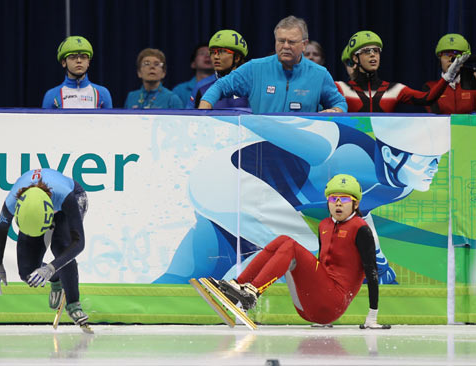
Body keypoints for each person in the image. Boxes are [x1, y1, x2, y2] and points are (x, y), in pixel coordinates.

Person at [154, 113, 450, 285]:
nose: (434, 169)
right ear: (390, 154)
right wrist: (213, 111)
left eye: (437, 160)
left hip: (245, 196)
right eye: (426, 161)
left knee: (187, 276)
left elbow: (359, 216)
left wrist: (378, 260)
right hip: (228, 180)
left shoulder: (402, 186)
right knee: (309, 253)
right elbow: (259, 122)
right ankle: (246, 292)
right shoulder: (334, 147)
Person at [210, 174, 387, 328]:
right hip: (309, 308)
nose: (338, 204)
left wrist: (372, 316)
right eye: (333, 199)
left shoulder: (360, 228)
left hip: (333, 304)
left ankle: (252, 293)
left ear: (355, 205)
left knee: (291, 246)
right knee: (283, 240)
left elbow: (371, 271)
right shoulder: (325, 225)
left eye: (345, 199)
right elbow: (320, 266)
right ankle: (238, 287)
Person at [0, 168, 90, 328]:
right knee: (26, 272)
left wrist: (52, 266)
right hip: (36, 208)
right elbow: (1, 228)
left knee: (61, 246)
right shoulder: (13, 200)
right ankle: (57, 278)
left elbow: (79, 243)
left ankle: (73, 303)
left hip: (73, 196)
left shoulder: (65, 196)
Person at [198, 15, 346, 113]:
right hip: (261, 148)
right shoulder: (255, 68)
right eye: (281, 41)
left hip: (302, 151)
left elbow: (340, 103)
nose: (285, 46)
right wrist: (204, 110)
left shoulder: (319, 74)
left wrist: (335, 111)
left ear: (304, 44)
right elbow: (220, 86)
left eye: (292, 42)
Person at [335, 30, 470, 112]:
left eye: (376, 51)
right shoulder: (340, 88)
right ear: (355, 57)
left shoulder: (395, 89)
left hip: (383, 153)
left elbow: (427, 98)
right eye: (366, 51)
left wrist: (448, 76)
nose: (373, 55)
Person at [42, 36, 112, 109]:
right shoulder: (51, 95)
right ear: (63, 62)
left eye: (83, 57)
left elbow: (110, 120)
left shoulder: (103, 93)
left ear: (88, 62)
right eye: (72, 57)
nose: (79, 60)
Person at [187, 30, 250, 109]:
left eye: (222, 51)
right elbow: (190, 119)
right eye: (213, 52)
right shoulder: (201, 86)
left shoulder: (252, 85)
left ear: (237, 57)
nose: (216, 57)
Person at [423, 33, 476, 114]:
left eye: (457, 55)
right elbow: (435, 118)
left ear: (464, 60)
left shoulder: (474, 84)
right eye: (446, 55)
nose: (451, 60)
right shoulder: (429, 87)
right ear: (440, 59)